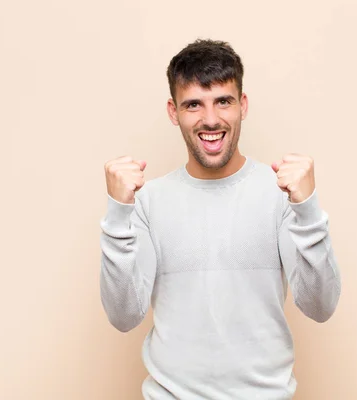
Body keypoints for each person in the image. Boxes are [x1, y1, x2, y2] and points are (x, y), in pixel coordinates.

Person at [100, 38, 341, 399]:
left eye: (223, 101)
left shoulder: (281, 194)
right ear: (173, 111)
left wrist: (307, 209)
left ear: (242, 105)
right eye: (193, 104)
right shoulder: (149, 202)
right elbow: (123, 316)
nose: (210, 119)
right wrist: (118, 215)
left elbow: (321, 306)